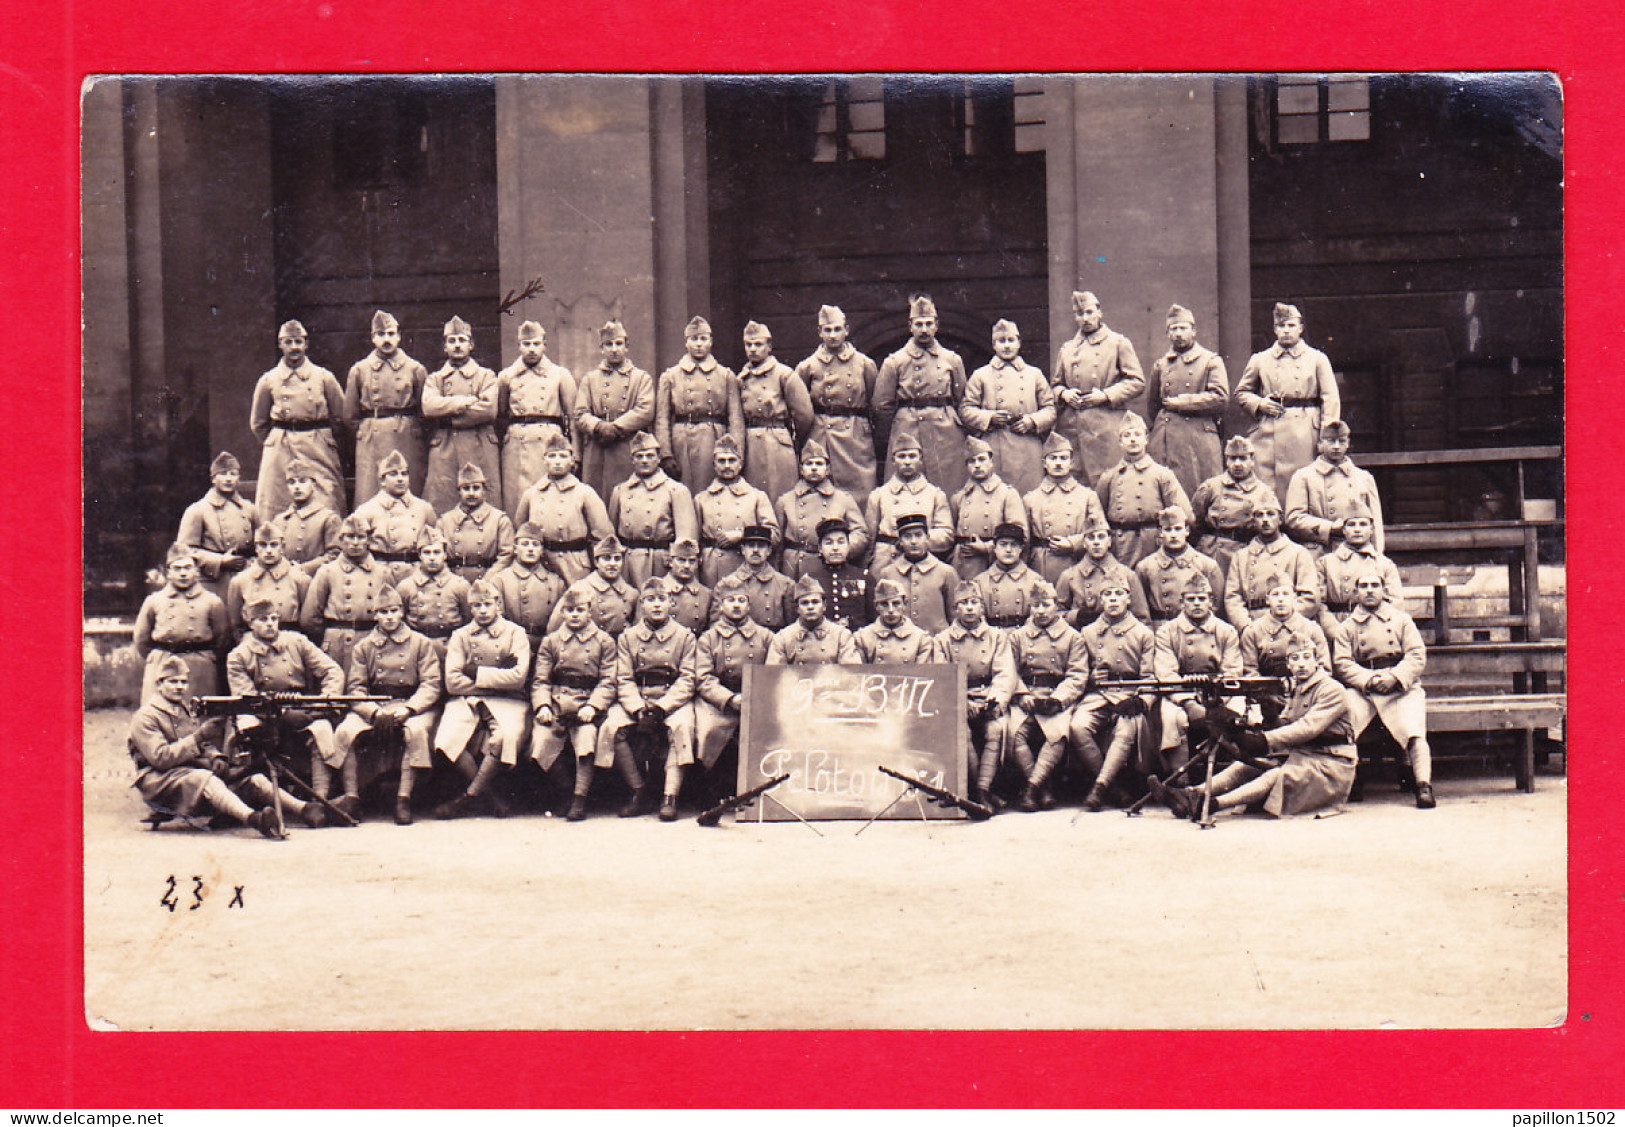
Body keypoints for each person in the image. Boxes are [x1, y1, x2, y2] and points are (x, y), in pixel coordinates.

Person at [1151, 631, 1354, 819]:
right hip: (1303, 756)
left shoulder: (1331, 690)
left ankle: (1212, 804)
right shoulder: (1298, 688)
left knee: (1275, 774)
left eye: (1306, 657)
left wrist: (1263, 740)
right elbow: (1284, 723)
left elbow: (1307, 728)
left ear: (1316, 660)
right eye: (1295, 658)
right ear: (1288, 665)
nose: (1301, 663)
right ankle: (1190, 794)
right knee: (1243, 766)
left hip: (1331, 763)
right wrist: (1262, 720)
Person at [128, 655, 317, 838]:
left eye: (183, 682)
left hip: (189, 772)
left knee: (255, 780)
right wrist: (200, 735)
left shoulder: (182, 708)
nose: (179, 687)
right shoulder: (145, 717)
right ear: (159, 684)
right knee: (206, 778)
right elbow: (160, 758)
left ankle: (305, 809)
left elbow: (203, 744)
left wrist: (215, 756)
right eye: (172, 682)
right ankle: (255, 819)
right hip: (160, 780)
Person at [334, 585, 444, 825]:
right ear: (375, 615)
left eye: (394, 610)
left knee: (415, 731)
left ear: (402, 612)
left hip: (411, 704)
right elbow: (356, 688)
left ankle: (403, 798)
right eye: (383, 612)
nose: (389, 617)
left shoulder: (420, 643)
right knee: (345, 731)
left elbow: (431, 685)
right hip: (374, 704)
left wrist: (409, 709)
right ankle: (352, 798)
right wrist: (373, 712)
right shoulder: (364, 646)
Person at [224, 600, 344, 817]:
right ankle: (252, 796)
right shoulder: (238, 655)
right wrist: (283, 715)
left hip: (301, 704)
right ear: (251, 624)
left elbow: (332, 671)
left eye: (273, 618)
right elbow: (247, 697)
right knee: (244, 729)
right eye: (263, 620)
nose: (270, 624)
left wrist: (322, 703)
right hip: (261, 711)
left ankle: (321, 799)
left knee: (322, 729)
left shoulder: (297, 641)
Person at [601, 576, 700, 821]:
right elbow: (623, 678)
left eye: (662, 599)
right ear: (642, 605)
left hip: (671, 700)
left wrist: (661, 709)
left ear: (670, 603)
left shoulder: (685, 636)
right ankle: (639, 791)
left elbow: (688, 679)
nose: (657, 605)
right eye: (650, 600)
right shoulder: (628, 637)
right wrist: (637, 710)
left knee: (682, 727)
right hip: (637, 698)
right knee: (611, 727)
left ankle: (670, 796)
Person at [432, 579, 533, 819]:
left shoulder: (515, 633)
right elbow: (453, 682)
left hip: (510, 702)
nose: (483, 610)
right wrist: (498, 681)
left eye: (488, 604)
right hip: (467, 700)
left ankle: (469, 798)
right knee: (447, 739)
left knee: (504, 738)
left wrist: (475, 673)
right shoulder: (461, 635)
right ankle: (489, 795)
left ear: (498, 604)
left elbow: (518, 678)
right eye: (477, 606)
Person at [1335, 573, 1436, 808]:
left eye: (1374, 585)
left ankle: (1423, 785)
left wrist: (1395, 677)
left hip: (1400, 687)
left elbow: (1416, 655)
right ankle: (1351, 780)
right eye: (1364, 586)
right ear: (1356, 592)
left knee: (1413, 729)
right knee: (1347, 723)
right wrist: (1368, 679)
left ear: (1383, 589)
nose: (1369, 590)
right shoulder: (1347, 626)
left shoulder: (1401, 620)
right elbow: (1342, 662)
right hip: (1364, 689)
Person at [531, 585, 620, 822]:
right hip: (558, 701)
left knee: (586, 741)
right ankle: (566, 790)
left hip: (587, 701)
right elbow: (540, 680)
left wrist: (593, 706)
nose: (574, 615)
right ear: (562, 613)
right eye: (569, 610)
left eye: (580, 610)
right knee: (541, 742)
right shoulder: (551, 641)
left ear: (589, 611)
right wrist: (543, 706)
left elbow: (608, 681)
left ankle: (580, 798)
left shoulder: (604, 641)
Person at [1236, 302, 1341, 501]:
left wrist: (1326, 437)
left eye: (1291, 325)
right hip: (1269, 432)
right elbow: (1242, 392)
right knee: (1268, 487)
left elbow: (1330, 399)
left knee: (1302, 485)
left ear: (1300, 328)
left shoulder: (1317, 359)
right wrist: (1260, 404)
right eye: (1281, 326)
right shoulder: (1260, 359)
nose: (1286, 331)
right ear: (1275, 329)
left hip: (1305, 431)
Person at [1069, 576, 1157, 811]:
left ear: (1128, 598)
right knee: (1077, 726)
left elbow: (1149, 676)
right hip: (1099, 695)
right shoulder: (1088, 632)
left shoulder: (1143, 633)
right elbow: (1077, 671)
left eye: (1119, 594)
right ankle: (1113, 786)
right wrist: (1090, 680)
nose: (1113, 599)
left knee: (1126, 727)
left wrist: (1141, 700)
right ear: (1100, 599)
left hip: (1130, 694)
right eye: (1107, 594)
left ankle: (1099, 788)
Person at [249, 319, 346, 522]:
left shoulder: (323, 377)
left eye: (298, 342)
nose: (294, 347)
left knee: (326, 496)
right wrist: (276, 441)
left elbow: (341, 415)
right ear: (280, 344)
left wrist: (325, 439)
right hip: (282, 446)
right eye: (289, 342)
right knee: (277, 499)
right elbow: (258, 423)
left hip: (317, 444)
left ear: (306, 344)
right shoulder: (268, 380)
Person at [1007, 580, 1090, 812]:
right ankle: (1043, 789)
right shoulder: (1017, 637)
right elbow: (1008, 671)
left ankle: (1032, 789)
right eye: (1035, 606)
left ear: (1056, 606)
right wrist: (1021, 694)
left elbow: (1077, 675)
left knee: (1057, 735)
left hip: (1056, 697)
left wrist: (1058, 700)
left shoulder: (1073, 638)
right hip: (1026, 696)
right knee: (1014, 735)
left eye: (1046, 605)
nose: (1041, 611)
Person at [933, 585, 1018, 810]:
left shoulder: (997, 637)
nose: (969, 608)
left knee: (996, 729)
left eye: (974, 603)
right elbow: (943, 676)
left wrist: (995, 700)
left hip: (987, 696)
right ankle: (975, 790)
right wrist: (962, 701)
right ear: (955, 609)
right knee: (963, 733)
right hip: (959, 699)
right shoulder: (942, 640)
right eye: (963, 603)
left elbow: (1005, 672)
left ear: (982, 607)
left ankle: (982, 790)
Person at [694, 573, 776, 804]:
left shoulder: (766, 637)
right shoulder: (708, 639)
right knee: (710, 730)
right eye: (731, 601)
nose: (737, 605)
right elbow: (704, 678)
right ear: (720, 606)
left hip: (756, 698)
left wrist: (753, 697)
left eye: (741, 600)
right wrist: (729, 699)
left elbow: (773, 672)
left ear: (749, 605)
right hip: (719, 701)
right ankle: (712, 791)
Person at [877, 293, 970, 495]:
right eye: (919, 324)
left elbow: (962, 399)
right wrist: (895, 431)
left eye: (929, 324)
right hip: (908, 426)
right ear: (910, 326)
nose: (924, 329)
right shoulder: (895, 361)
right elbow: (882, 405)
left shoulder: (952, 360)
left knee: (948, 485)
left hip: (945, 431)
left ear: (936, 325)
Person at [1151, 574, 1242, 778]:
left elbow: (1233, 669)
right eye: (1191, 599)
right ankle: (1179, 781)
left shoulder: (1226, 631)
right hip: (1180, 691)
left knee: (1239, 712)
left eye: (1202, 598)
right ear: (1182, 602)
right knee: (1174, 718)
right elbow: (1166, 672)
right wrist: (1188, 703)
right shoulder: (1167, 632)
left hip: (1220, 690)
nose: (1197, 604)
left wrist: (1220, 700)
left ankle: (1233, 778)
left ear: (1211, 601)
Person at [1051, 290, 1145, 485]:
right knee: (1074, 484)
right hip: (1072, 427)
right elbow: (1055, 385)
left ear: (1099, 312)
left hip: (1105, 426)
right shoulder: (1067, 348)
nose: (1085, 318)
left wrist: (1105, 395)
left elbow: (1137, 381)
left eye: (1089, 312)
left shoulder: (1118, 343)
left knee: (1107, 482)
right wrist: (1065, 394)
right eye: (1079, 314)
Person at [794, 304, 881, 508]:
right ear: (820, 332)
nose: (833, 335)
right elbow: (799, 406)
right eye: (827, 330)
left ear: (846, 330)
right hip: (821, 432)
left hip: (855, 433)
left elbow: (874, 403)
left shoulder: (864, 364)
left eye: (837, 329)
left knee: (861, 488)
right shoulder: (807, 367)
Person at [961, 318, 1056, 497]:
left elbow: (1050, 408)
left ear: (1019, 343)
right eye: (1001, 341)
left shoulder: (1033, 374)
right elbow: (966, 409)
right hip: (994, 444)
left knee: (1029, 496)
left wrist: (1031, 421)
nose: (1006, 346)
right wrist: (989, 417)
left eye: (1011, 340)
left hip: (1027, 444)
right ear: (993, 345)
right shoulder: (981, 375)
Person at [344, 309, 428, 502]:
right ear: (373, 338)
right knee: (371, 491)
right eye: (381, 335)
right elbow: (349, 415)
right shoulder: (359, 370)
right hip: (372, 438)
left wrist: (412, 429)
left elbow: (425, 413)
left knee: (409, 488)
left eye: (391, 334)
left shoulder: (415, 369)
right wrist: (367, 430)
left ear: (399, 336)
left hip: (406, 435)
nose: (386, 339)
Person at [1147, 304, 1229, 499]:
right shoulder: (1161, 364)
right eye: (1173, 329)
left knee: (1201, 491)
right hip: (1166, 438)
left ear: (1194, 331)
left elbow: (1221, 399)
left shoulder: (1210, 361)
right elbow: (1153, 405)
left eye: (1183, 328)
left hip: (1198, 437)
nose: (1178, 334)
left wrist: (1183, 403)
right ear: (1167, 333)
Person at [421, 315, 502, 514]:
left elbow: (488, 410)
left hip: (480, 444)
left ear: (471, 344)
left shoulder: (486, 375)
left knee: (485, 499)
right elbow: (429, 406)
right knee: (443, 499)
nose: (457, 345)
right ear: (445, 347)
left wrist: (447, 413)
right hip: (446, 445)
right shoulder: (435, 378)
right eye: (452, 341)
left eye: (462, 340)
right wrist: (464, 402)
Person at [496, 319, 576, 519]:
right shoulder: (506, 376)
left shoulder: (559, 375)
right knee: (515, 497)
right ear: (519, 346)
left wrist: (577, 453)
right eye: (526, 344)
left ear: (544, 344)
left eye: (536, 344)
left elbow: (573, 417)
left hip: (548, 441)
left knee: (549, 494)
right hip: (516, 443)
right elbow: (500, 414)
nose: (531, 349)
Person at [133, 543, 231, 704]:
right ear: (168, 572)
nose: (183, 573)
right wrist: (159, 657)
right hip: (163, 663)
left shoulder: (212, 602)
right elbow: (141, 639)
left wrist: (205, 658)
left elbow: (223, 639)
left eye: (187, 568)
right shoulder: (154, 601)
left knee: (199, 717)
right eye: (177, 568)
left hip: (199, 667)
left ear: (196, 571)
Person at [1094, 411, 1193, 568]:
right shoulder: (1109, 477)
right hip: (1120, 546)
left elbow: (1185, 514)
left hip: (1153, 544)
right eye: (1127, 435)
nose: (1132, 439)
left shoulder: (1162, 474)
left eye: (1137, 434)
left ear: (1146, 439)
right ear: (1119, 441)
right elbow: (1098, 516)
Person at [512, 431, 615, 582]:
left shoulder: (584, 492)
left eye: (563, 456)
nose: (557, 461)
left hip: (576, 564)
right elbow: (519, 529)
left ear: (572, 460)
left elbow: (603, 535)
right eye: (552, 456)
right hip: (542, 564)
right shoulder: (531, 494)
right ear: (544, 460)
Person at [656, 315, 744, 490]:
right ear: (686, 343)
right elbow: (662, 418)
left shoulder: (725, 376)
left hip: (714, 438)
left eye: (703, 339)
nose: (698, 344)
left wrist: (736, 452)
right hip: (681, 442)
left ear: (710, 342)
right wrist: (665, 454)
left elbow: (735, 419)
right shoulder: (670, 376)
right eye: (693, 339)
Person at [574, 319, 657, 500]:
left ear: (627, 346)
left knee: (628, 498)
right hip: (597, 447)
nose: (614, 349)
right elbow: (580, 413)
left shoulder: (641, 378)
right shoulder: (590, 379)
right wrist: (598, 426)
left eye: (619, 344)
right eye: (608, 344)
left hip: (627, 445)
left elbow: (645, 410)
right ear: (601, 349)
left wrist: (616, 427)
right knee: (597, 498)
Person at [1238, 572, 1335, 726]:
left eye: (1286, 594)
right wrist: (1268, 695)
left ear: (1295, 598)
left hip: (1306, 695)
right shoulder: (1253, 631)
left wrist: (1299, 692)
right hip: (1266, 697)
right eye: (1275, 594)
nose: (1281, 599)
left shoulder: (1311, 629)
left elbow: (1324, 669)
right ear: (1267, 599)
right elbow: (1250, 671)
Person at [300, 515, 393, 676]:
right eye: (350, 537)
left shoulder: (382, 572)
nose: (355, 543)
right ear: (341, 540)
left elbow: (394, 609)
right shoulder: (327, 571)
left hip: (373, 640)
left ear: (368, 540)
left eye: (360, 537)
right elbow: (309, 618)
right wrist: (331, 636)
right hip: (338, 644)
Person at [607, 431, 698, 587]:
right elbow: (611, 535)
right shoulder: (620, 491)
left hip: (659, 563)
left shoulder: (676, 490)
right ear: (632, 460)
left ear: (658, 458)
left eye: (649, 456)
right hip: (628, 562)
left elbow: (686, 539)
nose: (644, 461)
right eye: (639, 456)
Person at [738, 319, 814, 503]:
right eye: (748, 345)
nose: (753, 349)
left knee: (780, 495)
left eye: (758, 344)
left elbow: (804, 414)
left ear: (769, 346)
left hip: (777, 441)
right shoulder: (740, 378)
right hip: (750, 443)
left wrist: (790, 438)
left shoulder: (784, 374)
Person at [1285, 420, 1385, 557]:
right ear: (1320, 444)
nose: (1336, 446)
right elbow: (1294, 519)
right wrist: (1330, 527)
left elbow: (1375, 523)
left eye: (1341, 441)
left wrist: (1377, 556)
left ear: (1348, 444)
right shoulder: (1303, 476)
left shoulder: (1364, 477)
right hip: (1319, 552)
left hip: (1356, 553)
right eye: (1331, 441)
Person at [1222, 494, 1321, 631]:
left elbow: (1310, 598)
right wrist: (1245, 626)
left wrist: (1284, 620)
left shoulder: (1298, 553)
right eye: (1259, 515)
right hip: (1253, 626)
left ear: (1280, 519)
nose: (1265, 520)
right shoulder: (1241, 557)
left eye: (1270, 514)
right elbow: (1233, 598)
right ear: (1253, 521)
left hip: (1289, 626)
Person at [775, 438, 868, 580]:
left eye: (819, 463)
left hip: (829, 564)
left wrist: (839, 549)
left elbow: (861, 533)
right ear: (801, 469)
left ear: (828, 469)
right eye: (809, 464)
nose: (813, 468)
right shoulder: (785, 500)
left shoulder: (843, 499)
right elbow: (777, 541)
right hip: (795, 566)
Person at [1023, 432, 1109, 583]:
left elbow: (1102, 532)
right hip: (1041, 565)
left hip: (1076, 562)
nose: (1058, 463)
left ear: (1071, 462)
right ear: (1044, 463)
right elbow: (1024, 540)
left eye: (1063, 458)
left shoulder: (1087, 496)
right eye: (1053, 458)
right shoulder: (1030, 499)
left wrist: (1072, 544)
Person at [864, 431, 954, 573]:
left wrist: (918, 541)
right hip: (886, 561)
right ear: (893, 460)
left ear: (920, 459)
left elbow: (946, 535)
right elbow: (869, 537)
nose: (907, 461)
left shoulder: (935, 495)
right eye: (901, 456)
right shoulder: (879, 495)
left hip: (922, 560)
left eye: (912, 456)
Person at [693, 434, 778, 585]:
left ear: (740, 464)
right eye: (721, 461)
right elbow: (694, 540)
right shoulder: (701, 499)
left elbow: (774, 535)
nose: (727, 466)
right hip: (712, 567)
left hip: (745, 564)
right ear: (714, 465)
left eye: (732, 460)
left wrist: (742, 535)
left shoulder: (757, 496)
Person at [177, 450, 257, 602]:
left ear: (238, 478)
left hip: (245, 577)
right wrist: (220, 561)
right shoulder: (198, 510)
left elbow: (260, 546)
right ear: (213, 479)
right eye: (223, 474)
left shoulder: (250, 509)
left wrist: (251, 563)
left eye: (233, 474)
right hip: (214, 581)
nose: (228, 479)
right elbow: (184, 550)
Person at [350, 448, 437, 585]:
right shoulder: (367, 510)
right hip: (380, 574)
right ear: (382, 481)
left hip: (416, 576)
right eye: (393, 474)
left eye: (404, 474)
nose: (400, 479)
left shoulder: (424, 508)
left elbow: (434, 542)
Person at [1189, 436, 1270, 581]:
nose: (1237, 464)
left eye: (1243, 458)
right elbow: (1194, 522)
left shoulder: (1263, 492)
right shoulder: (1211, 487)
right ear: (1226, 461)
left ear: (1252, 460)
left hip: (1245, 552)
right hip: (1213, 552)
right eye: (1233, 459)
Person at [950, 437, 1028, 582]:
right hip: (965, 562)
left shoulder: (1007, 494)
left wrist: (987, 548)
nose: (977, 465)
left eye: (981, 459)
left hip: (994, 561)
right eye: (972, 461)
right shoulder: (959, 497)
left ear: (991, 462)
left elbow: (1019, 533)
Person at [1134, 507, 1225, 630]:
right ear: (1160, 532)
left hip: (1194, 630)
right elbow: (1140, 609)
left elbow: (1216, 607)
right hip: (1159, 630)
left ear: (1186, 530)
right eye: (1168, 530)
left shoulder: (1206, 565)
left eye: (1178, 529)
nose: (1173, 535)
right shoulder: (1146, 567)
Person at [1056, 515, 1149, 628]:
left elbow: (1142, 619)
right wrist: (1077, 616)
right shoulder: (1069, 576)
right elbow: (1054, 616)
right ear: (1084, 543)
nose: (1096, 542)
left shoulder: (1127, 575)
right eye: (1091, 537)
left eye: (1101, 537)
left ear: (1109, 542)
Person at [875, 512, 959, 636]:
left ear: (927, 537)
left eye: (918, 535)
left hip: (936, 644)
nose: (913, 541)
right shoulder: (887, 573)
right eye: (907, 537)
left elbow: (955, 617)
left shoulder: (946, 572)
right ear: (900, 541)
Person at [488, 523, 567, 650]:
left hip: (547, 646)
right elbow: (496, 620)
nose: (530, 549)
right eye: (525, 544)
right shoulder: (500, 580)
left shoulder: (556, 582)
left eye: (535, 545)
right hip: (511, 645)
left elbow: (563, 621)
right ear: (515, 549)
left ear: (541, 551)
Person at [1317, 503, 1401, 623]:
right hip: (1337, 624)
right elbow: (1319, 605)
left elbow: (1395, 604)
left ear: (1371, 529)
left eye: (1363, 524)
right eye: (1351, 524)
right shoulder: (1325, 563)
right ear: (1344, 530)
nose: (1357, 529)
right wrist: (1334, 631)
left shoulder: (1384, 564)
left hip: (1374, 626)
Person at [225, 523, 311, 641]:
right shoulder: (240, 581)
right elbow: (236, 625)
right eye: (263, 545)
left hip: (289, 642)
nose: (268, 550)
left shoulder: (299, 579)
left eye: (274, 545)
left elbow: (308, 622)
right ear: (256, 548)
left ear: (282, 547)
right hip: (253, 644)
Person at [394, 527, 472, 654]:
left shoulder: (459, 586)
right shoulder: (406, 587)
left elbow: (468, 620)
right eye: (427, 552)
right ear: (419, 555)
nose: (432, 558)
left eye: (436, 552)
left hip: (451, 648)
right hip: (416, 649)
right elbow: (399, 622)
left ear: (445, 555)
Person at [547, 535, 640, 638]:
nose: (612, 564)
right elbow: (553, 629)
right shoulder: (580, 589)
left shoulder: (631, 594)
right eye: (607, 558)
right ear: (596, 562)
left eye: (617, 559)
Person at [437, 461, 516, 583]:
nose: (471, 493)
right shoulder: (444, 522)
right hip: (453, 584)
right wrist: (453, 583)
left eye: (476, 488)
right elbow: (437, 555)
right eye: (466, 488)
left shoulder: (499, 520)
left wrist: (486, 581)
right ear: (459, 491)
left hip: (489, 583)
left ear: (484, 490)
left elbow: (506, 555)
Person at [271, 458, 342, 575]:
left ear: (313, 484)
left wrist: (306, 568)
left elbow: (335, 555)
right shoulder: (279, 520)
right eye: (292, 482)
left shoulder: (328, 518)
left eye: (303, 481)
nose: (297, 487)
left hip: (316, 582)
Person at [768, 574, 859, 665]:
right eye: (805, 603)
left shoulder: (841, 635)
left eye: (815, 602)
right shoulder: (783, 638)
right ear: (797, 608)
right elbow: (776, 675)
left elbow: (850, 673)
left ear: (824, 606)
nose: (810, 607)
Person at [972, 522, 1047, 631]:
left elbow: (1039, 617)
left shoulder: (1035, 580)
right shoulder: (980, 581)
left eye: (1013, 545)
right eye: (1003, 544)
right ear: (994, 548)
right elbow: (978, 619)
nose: (1008, 550)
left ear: (1021, 548)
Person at [803, 517, 874, 631]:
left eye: (841, 542)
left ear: (848, 545)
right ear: (820, 548)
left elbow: (873, 620)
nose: (835, 548)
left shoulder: (864, 577)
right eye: (829, 543)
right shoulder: (811, 579)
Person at [727, 524, 798, 632]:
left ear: (769, 551)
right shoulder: (727, 583)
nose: (755, 550)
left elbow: (792, 628)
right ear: (743, 550)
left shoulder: (785, 585)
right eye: (751, 545)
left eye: (761, 546)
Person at [853, 578, 940, 664]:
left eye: (896, 603)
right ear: (876, 606)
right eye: (884, 604)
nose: (890, 610)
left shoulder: (921, 639)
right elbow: (859, 674)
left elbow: (924, 674)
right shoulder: (862, 638)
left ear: (905, 604)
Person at [664, 538, 713, 635]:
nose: (686, 566)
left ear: (698, 563)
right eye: (681, 560)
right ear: (670, 561)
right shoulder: (658, 589)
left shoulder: (706, 595)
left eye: (691, 561)